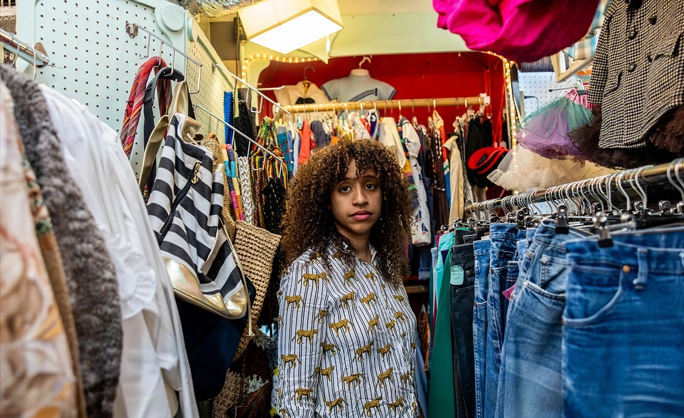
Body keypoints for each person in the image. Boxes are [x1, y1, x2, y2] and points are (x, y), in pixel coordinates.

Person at [274, 139, 419, 417]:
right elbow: (294, 399)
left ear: (383, 193)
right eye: (344, 188)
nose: (360, 198)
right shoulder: (310, 274)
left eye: (370, 185)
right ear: (326, 201)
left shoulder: (387, 265)